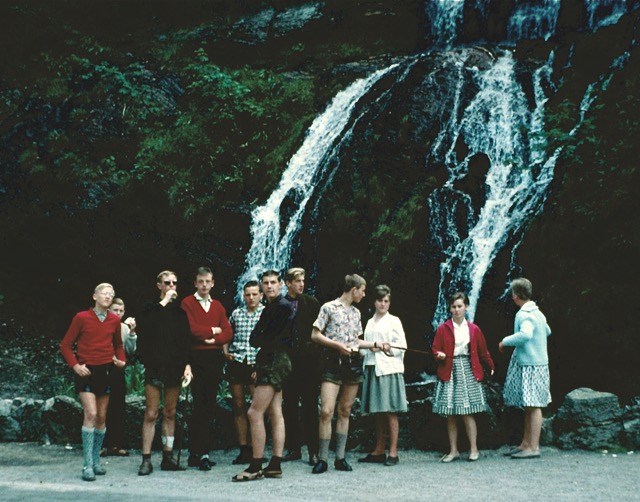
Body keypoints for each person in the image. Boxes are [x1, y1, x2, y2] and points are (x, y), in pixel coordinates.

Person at [60, 283, 126, 481]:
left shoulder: (114, 320)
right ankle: (87, 464)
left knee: (101, 418)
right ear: (94, 296)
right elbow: (65, 345)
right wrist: (75, 366)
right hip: (85, 371)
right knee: (91, 413)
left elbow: (119, 345)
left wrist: (121, 360)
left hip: (106, 370)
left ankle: (96, 460)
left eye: (111, 294)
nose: (108, 297)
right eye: (104, 294)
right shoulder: (81, 318)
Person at [310, 273, 376, 474]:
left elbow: (356, 341)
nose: (364, 295)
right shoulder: (328, 308)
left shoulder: (356, 313)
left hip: (353, 364)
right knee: (326, 411)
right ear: (353, 289)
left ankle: (340, 457)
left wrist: (376, 345)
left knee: (345, 410)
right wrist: (337, 346)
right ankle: (322, 459)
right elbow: (315, 335)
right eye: (362, 291)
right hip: (332, 363)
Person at [232, 270, 294, 482]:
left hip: (274, 361)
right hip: (273, 359)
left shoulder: (282, 307)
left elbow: (261, 338)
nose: (269, 286)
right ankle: (274, 464)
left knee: (254, 412)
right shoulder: (272, 308)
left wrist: (262, 338)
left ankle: (256, 465)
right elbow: (254, 338)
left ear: (280, 285)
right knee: (275, 412)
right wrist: (261, 337)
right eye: (266, 283)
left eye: (273, 283)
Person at [136, 270, 192, 476]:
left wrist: (188, 365)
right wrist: (165, 301)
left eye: (174, 283)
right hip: (154, 366)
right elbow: (146, 324)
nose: (171, 286)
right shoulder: (150, 308)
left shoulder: (180, 313)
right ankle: (146, 459)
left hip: (174, 367)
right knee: (151, 413)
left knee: (170, 412)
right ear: (159, 285)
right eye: (166, 283)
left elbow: (186, 342)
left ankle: (167, 456)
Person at [432, 291, 494, 463]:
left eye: (460, 306)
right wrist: (439, 355)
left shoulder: (474, 329)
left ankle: (474, 449)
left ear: (466, 307)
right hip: (449, 369)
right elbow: (435, 349)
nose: (457, 310)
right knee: (451, 413)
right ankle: (453, 450)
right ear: (450, 309)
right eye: (454, 307)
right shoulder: (443, 328)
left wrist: (490, 366)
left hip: (468, 368)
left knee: (467, 412)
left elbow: (483, 351)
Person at [180, 267, 232, 471]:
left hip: (214, 359)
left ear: (213, 283)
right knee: (199, 405)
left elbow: (227, 331)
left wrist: (214, 338)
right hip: (196, 358)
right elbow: (190, 329)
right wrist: (213, 331)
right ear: (195, 283)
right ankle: (197, 452)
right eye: (200, 281)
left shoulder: (217, 306)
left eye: (207, 281)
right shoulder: (187, 303)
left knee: (208, 405)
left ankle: (203, 452)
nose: (204, 285)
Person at [499, 277, 552, 459]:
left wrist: (505, 341)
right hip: (538, 363)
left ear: (515, 295)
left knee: (534, 405)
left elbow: (526, 334)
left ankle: (533, 447)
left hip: (532, 365)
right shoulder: (537, 312)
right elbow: (547, 331)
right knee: (529, 405)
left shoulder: (524, 314)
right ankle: (525, 443)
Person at [358, 285, 406, 467]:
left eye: (386, 301)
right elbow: (364, 345)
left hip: (388, 369)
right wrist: (369, 349)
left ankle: (393, 451)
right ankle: (379, 450)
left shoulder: (394, 321)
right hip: (371, 367)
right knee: (378, 411)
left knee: (390, 410)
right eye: (380, 301)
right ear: (374, 302)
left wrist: (385, 348)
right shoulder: (370, 322)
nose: (383, 304)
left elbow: (402, 346)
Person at [281, 267, 321, 466]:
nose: (301, 284)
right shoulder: (279, 304)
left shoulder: (312, 303)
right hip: (287, 362)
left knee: (310, 406)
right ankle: (293, 448)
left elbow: (321, 330)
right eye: (297, 281)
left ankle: (313, 451)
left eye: (303, 280)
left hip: (309, 362)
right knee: (289, 405)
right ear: (288, 283)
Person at [224, 280, 264, 465]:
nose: (251, 298)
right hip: (237, 361)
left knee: (257, 408)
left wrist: (261, 365)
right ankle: (244, 449)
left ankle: (258, 450)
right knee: (238, 406)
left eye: (255, 294)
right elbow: (227, 334)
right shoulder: (236, 314)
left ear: (261, 295)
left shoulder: (265, 313)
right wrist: (225, 351)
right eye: (248, 294)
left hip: (256, 363)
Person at [102, 297, 137, 457]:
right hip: (102, 369)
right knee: (102, 407)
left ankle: (116, 445)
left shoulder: (123, 327)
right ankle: (101, 444)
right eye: (115, 310)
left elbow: (130, 351)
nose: (118, 313)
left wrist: (131, 332)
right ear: (109, 310)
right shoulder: (101, 325)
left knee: (118, 407)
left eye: (121, 311)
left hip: (118, 370)